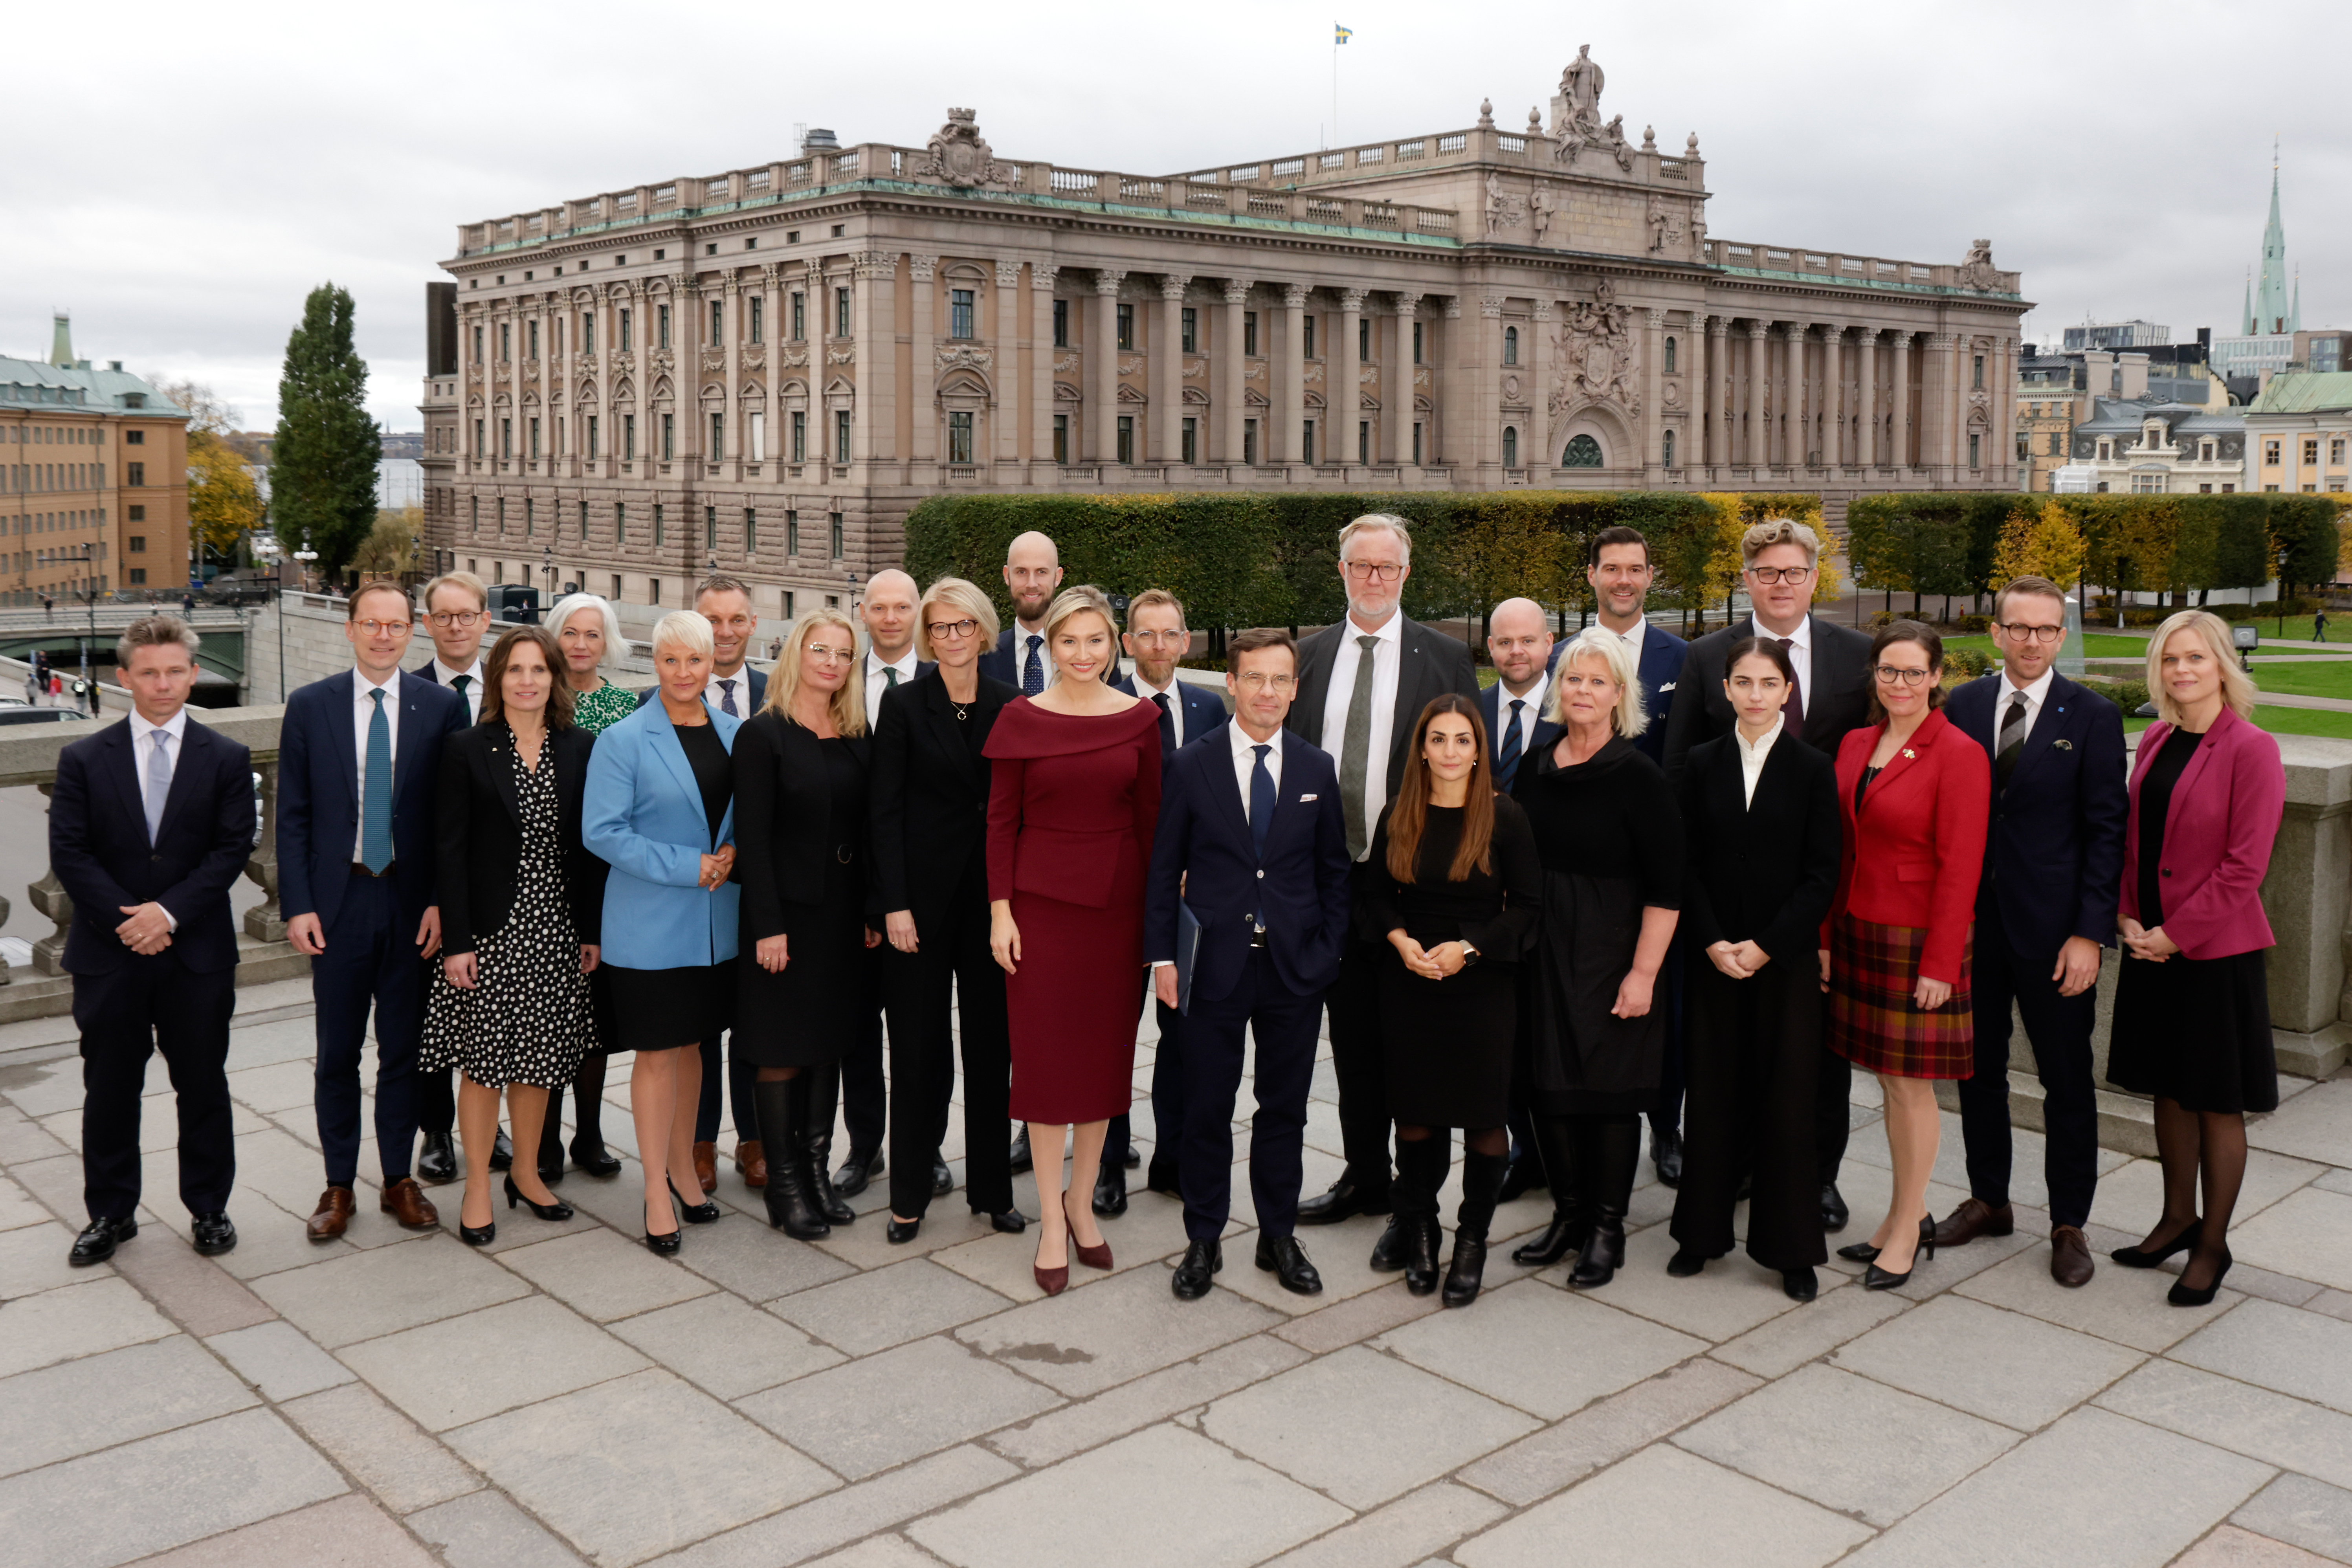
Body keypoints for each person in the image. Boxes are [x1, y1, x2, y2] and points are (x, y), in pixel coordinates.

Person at [1661, 517, 1875, 1233]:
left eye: (1793, 572)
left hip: (1821, 890)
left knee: (1816, 1058)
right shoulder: (1705, 658)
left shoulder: (1857, 654)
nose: (1780, 585)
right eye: (1765, 573)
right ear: (1746, 580)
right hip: (1723, 900)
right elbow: (1679, 772)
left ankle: (1817, 1177)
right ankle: (1733, 1174)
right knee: (1723, 1062)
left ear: (1815, 578)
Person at [1286, 513, 1481, 1267]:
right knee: (1353, 1043)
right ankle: (1364, 1177)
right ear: (1341, 572)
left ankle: (1415, 1205)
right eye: (1360, 566)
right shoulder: (1308, 657)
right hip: (1329, 883)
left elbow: (1469, 773)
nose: (1373, 578)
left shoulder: (1445, 658)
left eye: (1386, 568)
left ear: (1407, 574)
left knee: (1415, 1049)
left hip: (1412, 886)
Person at [1147, 629, 1350, 1302]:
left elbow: (1332, 873)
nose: (1269, 691)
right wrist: (1162, 959)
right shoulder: (1190, 764)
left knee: (1284, 1109)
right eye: (1255, 678)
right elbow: (1162, 871)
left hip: (1293, 970)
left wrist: (1325, 954)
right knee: (1207, 1107)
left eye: (1281, 680)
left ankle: (1277, 1234)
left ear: (1296, 688)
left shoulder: (1316, 768)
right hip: (1212, 967)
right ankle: (1203, 1237)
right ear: (1229, 683)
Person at [1936, 578, 2126, 1287]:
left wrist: (2088, 934)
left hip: (2054, 936)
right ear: (1996, 633)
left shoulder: (2094, 715)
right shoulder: (1962, 705)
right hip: (1972, 931)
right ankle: (1990, 1199)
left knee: (2066, 1081)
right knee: (1976, 1072)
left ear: (2060, 635)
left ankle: (2069, 1222)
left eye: (2046, 630)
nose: (2032, 641)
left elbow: (2108, 833)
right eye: (2018, 628)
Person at [52, 616, 254, 1265]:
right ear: (125, 677)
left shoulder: (225, 758)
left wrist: (165, 915)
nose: (163, 684)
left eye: (175, 671)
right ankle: (111, 1212)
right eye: (150, 672)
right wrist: (128, 920)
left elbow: (229, 852)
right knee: (109, 1090)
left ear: (194, 674)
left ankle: (209, 1206)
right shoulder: (83, 758)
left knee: (203, 1085)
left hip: (195, 955)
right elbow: (72, 853)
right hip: (108, 956)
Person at [279, 581, 468, 1240]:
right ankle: (337, 1186)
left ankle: (397, 1178)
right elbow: (294, 815)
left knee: (404, 1051)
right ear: (351, 629)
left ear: (412, 629)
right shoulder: (311, 706)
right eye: (371, 624)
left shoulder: (441, 708)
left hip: (412, 904)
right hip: (338, 903)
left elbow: (454, 818)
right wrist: (297, 905)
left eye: (395, 625)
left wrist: (445, 900)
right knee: (337, 1052)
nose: (383, 635)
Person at [986, 585, 1161, 1295]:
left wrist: (1156, 926)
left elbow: (1152, 824)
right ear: (1048, 646)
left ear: (1113, 646)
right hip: (1040, 912)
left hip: (1115, 912)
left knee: (1100, 1065)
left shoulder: (1141, 719)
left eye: (1096, 641)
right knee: (1047, 1067)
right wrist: (1001, 912)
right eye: (1069, 641)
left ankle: (1082, 1204)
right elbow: (999, 822)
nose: (1083, 654)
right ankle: (1050, 1222)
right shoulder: (1019, 718)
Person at [2107, 611, 2284, 1308]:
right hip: (2149, 941)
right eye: (2171, 660)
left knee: (2215, 1098)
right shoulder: (2155, 736)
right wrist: (2126, 911)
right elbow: (2134, 842)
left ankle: (2212, 1244)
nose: (2182, 671)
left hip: (2212, 951)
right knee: (2167, 1086)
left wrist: (2176, 934)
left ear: (2222, 666)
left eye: (2196, 659)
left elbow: (2246, 867)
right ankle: (2175, 1218)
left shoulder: (2250, 748)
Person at [419, 626, 604, 1245]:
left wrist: (590, 930)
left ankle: (526, 1172)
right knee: (484, 1063)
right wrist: (458, 942)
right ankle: (478, 1185)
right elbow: (449, 848)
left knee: (540, 1061)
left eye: (539, 669)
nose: (528, 680)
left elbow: (589, 850)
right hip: (491, 932)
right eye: (515, 669)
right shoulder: (467, 748)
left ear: (555, 678)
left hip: (557, 928)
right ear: (498, 678)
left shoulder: (580, 746)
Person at [1510, 628, 1683, 1289]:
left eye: (1596, 681)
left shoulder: (1639, 775)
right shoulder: (1535, 763)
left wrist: (1643, 974)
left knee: (1608, 1095)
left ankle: (1607, 1227)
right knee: (1547, 1087)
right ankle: (1569, 1214)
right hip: (1541, 945)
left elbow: (1668, 887)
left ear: (1619, 694)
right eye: (1573, 679)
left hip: (1613, 950)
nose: (1582, 691)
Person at [1669, 638, 1840, 1301]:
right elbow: (1683, 862)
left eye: (1768, 682)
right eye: (1743, 682)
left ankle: (1789, 1248)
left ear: (1787, 690)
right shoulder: (1702, 763)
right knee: (1711, 1094)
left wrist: (1765, 945)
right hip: (1713, 957)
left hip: (1783, 961)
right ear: (1726, 689)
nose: (1755, 694)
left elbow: (1821, 873)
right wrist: (1712, 940)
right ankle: (1700, 1235)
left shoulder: (1811, 767)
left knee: (1786, 1100)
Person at [1825, 621, 1990, 1291]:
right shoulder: (1856, 742)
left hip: (1918, 940)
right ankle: (1906, 1216)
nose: (1899, 684)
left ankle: (1905, 1229)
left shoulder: (1959, 753)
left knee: (1911, 1086)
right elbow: (1841, 849)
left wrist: (1941, 964)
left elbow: (1961, 867)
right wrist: (1824, 937)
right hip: (1859, 928)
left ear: (1937, 676)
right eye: (1888, 671)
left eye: (1913, 673)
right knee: (1888, 1083)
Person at [1362, 695, 1542, 1307]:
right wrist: (1400, 940)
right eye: (1437, 739)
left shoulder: (1504, 815)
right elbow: (1376, 894)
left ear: (1477, 749)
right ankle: (1419, 1230)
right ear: (1421, 747)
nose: (1448, 751)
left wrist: (1467, 948)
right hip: (1410, 980)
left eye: (1461, 740)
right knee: (1414, 1117)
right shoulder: (1400, 811)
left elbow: (1527, 906)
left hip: (1481, 982)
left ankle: (1471, 1239)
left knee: (1484, 1122)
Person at [585, 610, 743, 1253]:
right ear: (655, 662)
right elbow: (603, 831)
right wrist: (691, 866)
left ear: (715, 664)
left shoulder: (739, 734)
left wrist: (733, 853)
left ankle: (685, 1172)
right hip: (649, 925)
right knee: (656, 1055)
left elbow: (746, 816)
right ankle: (655, 1191)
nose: (684, 672)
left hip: (715, 928)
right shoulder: (623, 739)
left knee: (695, 1049)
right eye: (671, 660)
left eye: (696, 660)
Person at [872, 578, 1024, 1242]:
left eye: (963, 626)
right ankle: (907, 1196)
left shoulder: (1010, 704)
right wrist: (894, 905)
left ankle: (992, 1189)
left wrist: (1012, 907)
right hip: (920, 911)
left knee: (993, 1052)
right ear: (926, 637)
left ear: (984, 632)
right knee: (916, 1053)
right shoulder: (904, 706)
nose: (952, 638)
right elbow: (885, 812)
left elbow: (1019, 811)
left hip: (990, 908)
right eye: (939, 628)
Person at [735, 609, 875, 1238]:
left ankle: (817, 1175)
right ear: (797, 652)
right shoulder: (762, 734)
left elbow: (867, 829)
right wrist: (768, 925)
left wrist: (872, 911)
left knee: (828, 1047)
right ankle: (785, 1185)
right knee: (781, 1050)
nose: (831, 662)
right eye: (820, 649)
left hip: (843, 917)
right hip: (785, 919)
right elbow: (754, 840)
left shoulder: (853, 728)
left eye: (844, 654)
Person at [637, 575, 766, 1195]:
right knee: (696, 1026)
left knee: (753, 1016)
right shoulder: (645, 708)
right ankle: (699, 1141)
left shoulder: (778, 693)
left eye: (735, 619)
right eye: (711, 620)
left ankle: (755, 1136)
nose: (724, 631)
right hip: (685, 898)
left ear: (753, 623)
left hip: (752, 887)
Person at [1108, 588, 1226, 1214]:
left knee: (1183, 1037)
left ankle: (1171, 1159)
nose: (1158, 645)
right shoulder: (1104, 706)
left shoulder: (1211, 708)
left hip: (1190, 903)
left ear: (1186, 641)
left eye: (1169, 634)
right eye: (1145, 634)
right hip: (1120, 896)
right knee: (1112, 1035)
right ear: (1127, 644)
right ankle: (1107, 1160)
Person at [831, 570, 934, 1207]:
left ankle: (923, 1150)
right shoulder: (838, 680)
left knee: (921, 1033)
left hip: (917, 889)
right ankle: (864, 1146)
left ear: (918, 612)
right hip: (847, 886)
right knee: (858, 1028)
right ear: (863, 612)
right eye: (881, 608)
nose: (892, 618)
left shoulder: (940, 681)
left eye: (904, 607)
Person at [532, 592, 635, 1183]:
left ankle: (589, 1133)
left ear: (608, 642)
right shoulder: (532, 696)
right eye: (570, 632)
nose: (580, 644)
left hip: (606, 879)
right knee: (548, 1016)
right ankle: (543, 1137)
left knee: (594, 1018)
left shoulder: (625, 707)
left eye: (592, 634)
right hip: (545, 878)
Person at [409, 571, 498, 1187]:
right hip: (431, 881)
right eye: (444, 616)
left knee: (495, 1009)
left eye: (467, 615)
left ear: (485, 620)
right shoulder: (410, 692)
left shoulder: (520, 682)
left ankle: (489, 1128)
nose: (457, 626)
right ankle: (436, 1129)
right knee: (431, 1012)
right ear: (428, 623)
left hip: (499, 878)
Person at [978, 530, 1068, 694]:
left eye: (1041, 572)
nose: (1031, 584)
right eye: (1022, 572)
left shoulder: (1091, 655)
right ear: (1007, 576)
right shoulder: (982, 657)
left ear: (1057, 577)